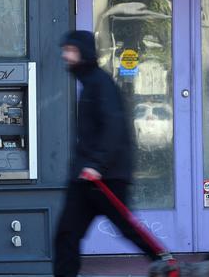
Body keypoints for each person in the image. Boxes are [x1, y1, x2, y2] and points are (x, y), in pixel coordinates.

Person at [53, 30, 164, 277]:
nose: (65, 55)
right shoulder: (89, 83)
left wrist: (96, 164)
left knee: (127, 230)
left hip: (105, 177)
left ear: (83, 53)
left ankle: (167, 265)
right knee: (66, 235)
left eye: (70, 50)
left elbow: (113, 127)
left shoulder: (100, 84)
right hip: (86, 179)